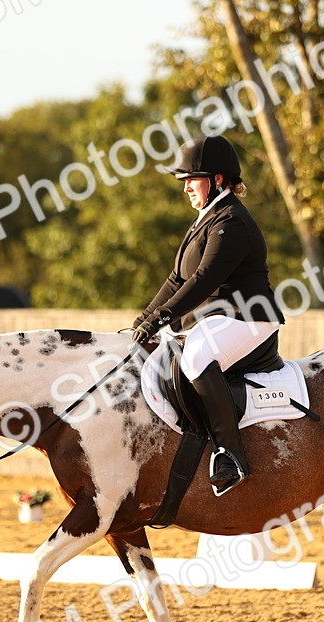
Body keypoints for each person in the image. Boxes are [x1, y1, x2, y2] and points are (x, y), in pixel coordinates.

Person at [131, 135, 285, 497]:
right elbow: (177, 279)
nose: (186, 187)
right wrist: (144, 319)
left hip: (249, 319)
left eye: (192, 179)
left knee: (197, 356)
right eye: (184, 180)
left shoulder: (232, 221)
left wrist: (159, 319)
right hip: (219, 319)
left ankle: (231, 455)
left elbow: (204, 280)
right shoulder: (206, 219)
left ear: (217, 179)